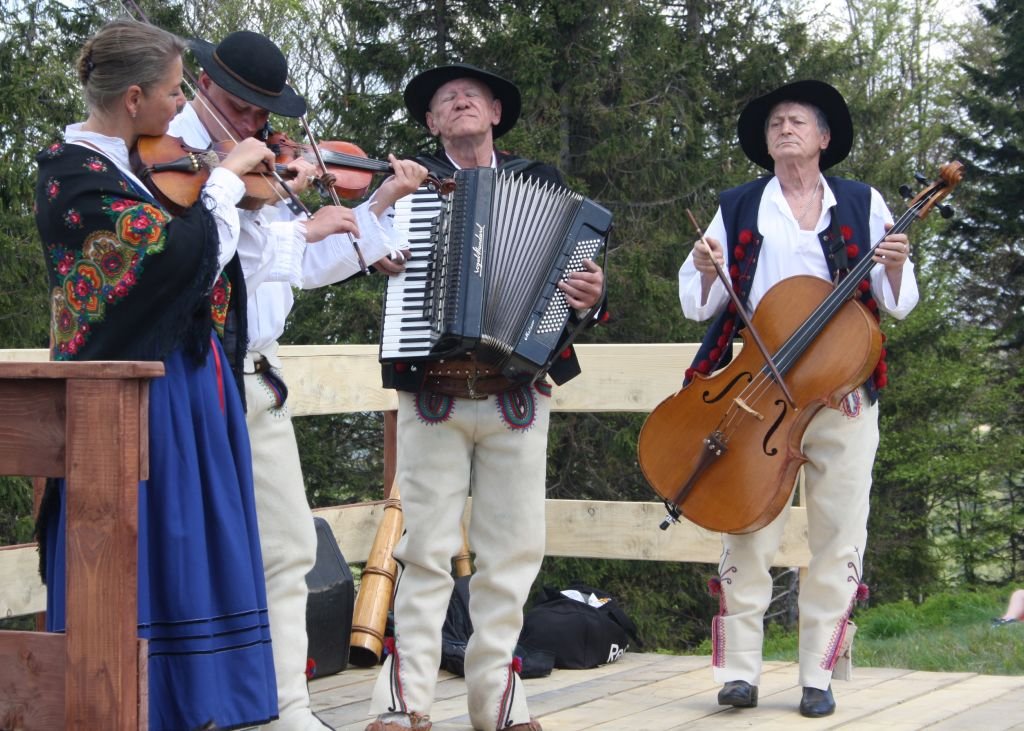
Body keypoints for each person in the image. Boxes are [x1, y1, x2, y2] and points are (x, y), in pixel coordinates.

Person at [168, 30, 428, 731]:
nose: (254, 124)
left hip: (257, 371)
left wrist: (370, 210)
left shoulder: (264, 164)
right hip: (190, 373)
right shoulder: (170, 152)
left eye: (262, 111)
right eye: (240, 106)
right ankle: (192, 702)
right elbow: (205, 261)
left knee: (287, 546)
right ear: (202, 84)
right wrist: (301, 227)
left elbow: (300, 271)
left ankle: (285, 706)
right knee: (187, 548)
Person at [34, 19, 282, 730]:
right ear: (135, 97)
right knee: (138, 546)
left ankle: (201, 703)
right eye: (175, 93)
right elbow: (167, 258)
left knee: (193, 545)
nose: (183, 108)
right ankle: (133, 703)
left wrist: (237, 188)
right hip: (130, 395)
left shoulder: (152, 158)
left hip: (191, 384)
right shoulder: (71, 176)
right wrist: (227, 187)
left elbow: (204, 249)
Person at [365, 63, 606, 731]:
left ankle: (499, 700)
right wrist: (380, 230)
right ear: (432, 123)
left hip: (515, 391)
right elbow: (363, 246)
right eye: (445, 99)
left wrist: (591, 294)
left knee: (514, 551)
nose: (460, 100)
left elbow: (575, 288)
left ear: (496, 112)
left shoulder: (542, 184)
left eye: (472, 94)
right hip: (434, 390)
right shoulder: (404, 184)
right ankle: (403, 701)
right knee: (425, 548)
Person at [677, 80, 919, 718]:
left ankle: (819, 674)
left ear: (824, 138)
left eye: (797, 122)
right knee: (746, 523)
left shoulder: (863, 203)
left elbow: (897, 302)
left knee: (839, 533)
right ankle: (741, 672)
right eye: (775, 123)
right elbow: (701, 303)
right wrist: (704, 270)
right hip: (760, 392)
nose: (784, 129)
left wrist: (894, 262)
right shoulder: (737, 205)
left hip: (841, 392)